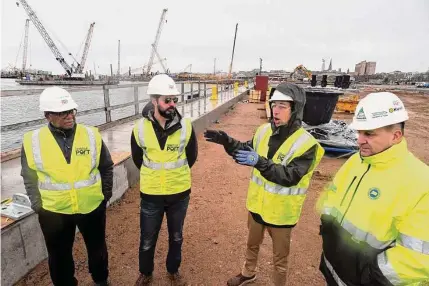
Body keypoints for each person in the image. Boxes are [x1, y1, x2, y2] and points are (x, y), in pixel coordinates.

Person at [204, 83, 325, 286]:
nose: (275, 111)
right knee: (252, 245)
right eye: (273, 105)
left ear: (295, 109)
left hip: (281, 213)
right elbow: (245, 151)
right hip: (257, 206)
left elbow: (289, 176)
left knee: (280, 258)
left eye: (282, 106)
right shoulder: (263, 131)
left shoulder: (306, 144)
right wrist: (227, 142)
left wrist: (259, 162)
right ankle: (248, 273)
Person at [317, 92, 429, 285]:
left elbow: (418, 258)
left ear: (396, 135)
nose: (359, 140)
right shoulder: (356, 161)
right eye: (359, 132)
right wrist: (328, 235)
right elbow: (332, 197)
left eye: (369, 133)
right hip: (335, 272)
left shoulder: (420, 183)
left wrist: (369, 277)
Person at [21, 86, 114, 286]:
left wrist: (104, 196)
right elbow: (28, 176)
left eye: (71, 111)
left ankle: (101, 281)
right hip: (54, 211)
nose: (69, 116)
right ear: (48, 115)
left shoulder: (91, 135)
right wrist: (38, 205)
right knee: (59, 257)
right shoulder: (32, 141)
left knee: (98, 250)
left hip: (91, 206)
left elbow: (106, 166)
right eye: (62, 112)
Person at [132, 74, 198, 286]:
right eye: (167, 100)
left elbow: (192, 156)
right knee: (147, 239)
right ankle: (146, 272)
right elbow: (137, 158)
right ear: (154, 101)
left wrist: (173, 176)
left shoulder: (186, 126)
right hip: (151, 195)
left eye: (174, 100)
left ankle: (173, 270)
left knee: (176, 236)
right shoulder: (139, 128)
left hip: (179, 194)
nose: (172, 105)